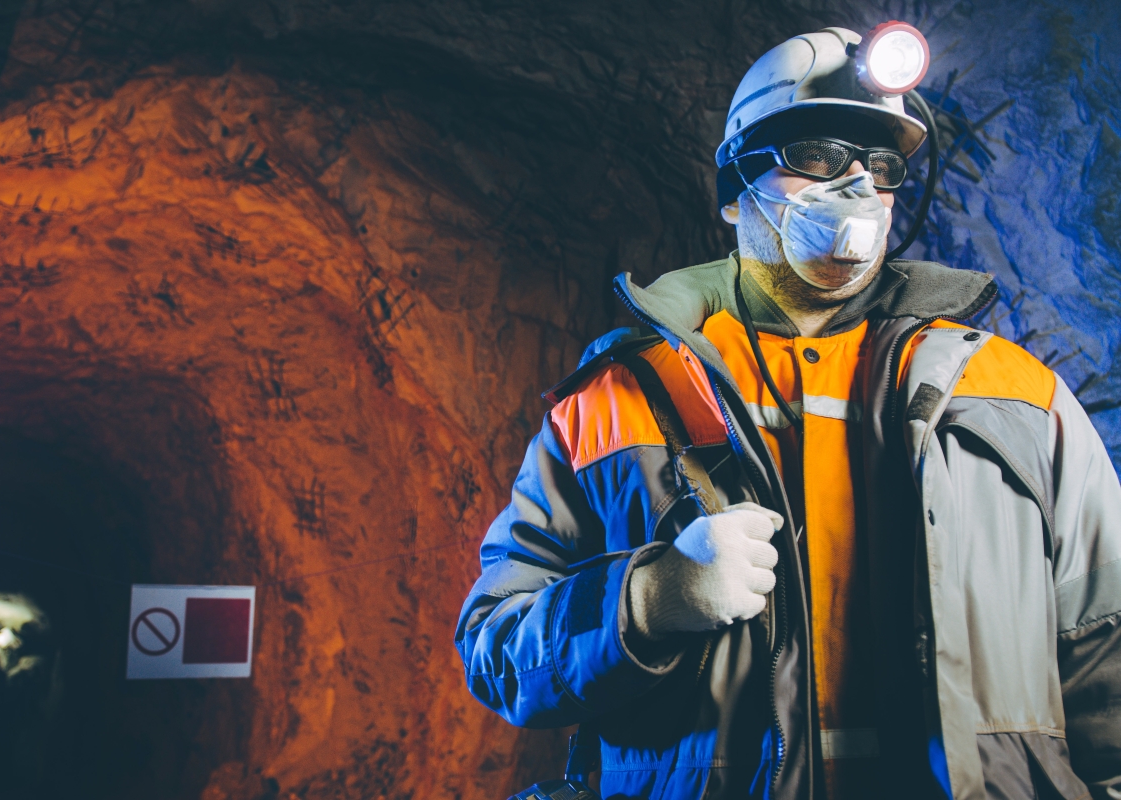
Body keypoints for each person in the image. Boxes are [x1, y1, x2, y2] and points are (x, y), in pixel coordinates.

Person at [456, 25, 1121, 800]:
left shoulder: (1013, 396)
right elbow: (494, 649)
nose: (857, 189)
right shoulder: (619, 401)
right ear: (736, 195)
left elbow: (1106, 649)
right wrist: (649, 598)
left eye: (880, 167)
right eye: (816, 157)